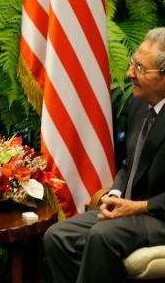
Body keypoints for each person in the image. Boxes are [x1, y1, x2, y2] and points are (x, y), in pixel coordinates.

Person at [43, 27, 165, 283]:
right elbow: (129, 164)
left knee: (101, 236)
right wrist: (115, 194)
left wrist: (139, 206)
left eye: (141, 69)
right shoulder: (140, 104)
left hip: (157, 216)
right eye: (133, 63)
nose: (130, 73)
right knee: (57, 236)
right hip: (129, 210)